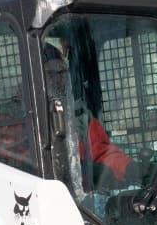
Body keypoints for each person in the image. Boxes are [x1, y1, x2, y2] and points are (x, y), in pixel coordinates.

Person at [43, 39, 149, 189]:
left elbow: (101, 152)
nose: (57, 78)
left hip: (75, 192)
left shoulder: (79, 115)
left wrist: (128, 168)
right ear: (39, 78)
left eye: (61, 72)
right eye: (50, 73)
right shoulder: (22, 114)